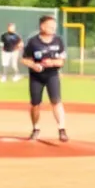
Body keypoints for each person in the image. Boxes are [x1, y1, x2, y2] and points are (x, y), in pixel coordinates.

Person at [22, 14, 69, 142]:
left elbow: (62, 61)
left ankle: (62, 129)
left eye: (54, 26)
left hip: (52, 75)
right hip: (36, 77)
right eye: (50, 26)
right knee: (35, 104)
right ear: (42, 26)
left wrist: (52, 63)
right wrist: (33, 65)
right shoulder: (33, 42)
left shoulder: (58, 41)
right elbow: (25, 59)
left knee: (56, 101)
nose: (53, 28)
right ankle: (36, 128)